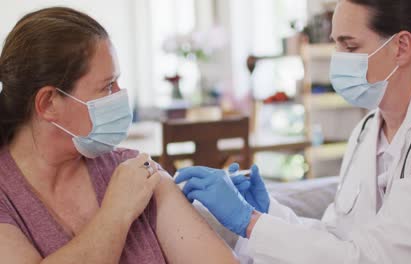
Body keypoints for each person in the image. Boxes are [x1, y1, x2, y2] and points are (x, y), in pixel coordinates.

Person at [175, 1, 411, 263]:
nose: (337, 59)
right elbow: (336, 239)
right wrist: (267, 212)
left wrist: (249, 222)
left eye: (349, 46)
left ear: (401, 47)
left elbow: (376, 258)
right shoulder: (367, 131)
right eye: (336, 45)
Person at [0, 7, 239, 264]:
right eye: (107, 86)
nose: (120, 95)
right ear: (48, 103)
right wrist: (116, 212)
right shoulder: (6, 196)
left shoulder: (136, 171)